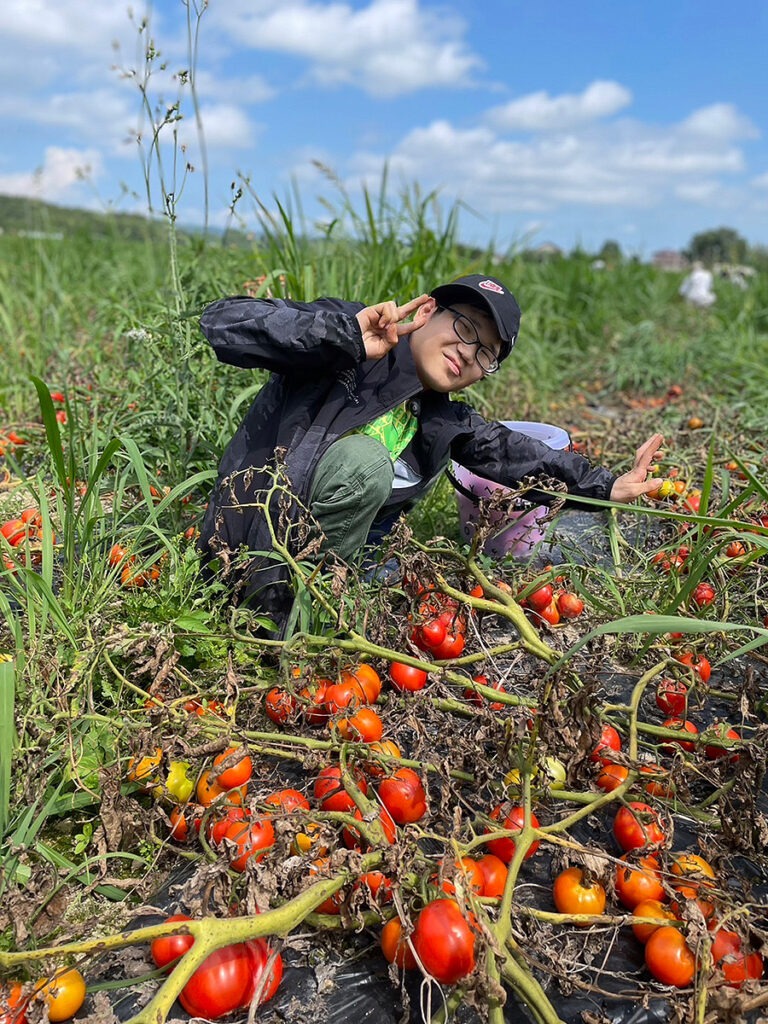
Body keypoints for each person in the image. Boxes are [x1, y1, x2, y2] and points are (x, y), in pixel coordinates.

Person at [197, 274, 663, 622]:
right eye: (465, 328)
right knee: (364, 464)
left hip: (326, 574)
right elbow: (224, 322)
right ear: (427, 311)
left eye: (486, 354)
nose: (467, 353)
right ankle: (301, 618)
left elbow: (517, 455)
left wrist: (607, 486)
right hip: (250, 551)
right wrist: (342, 335)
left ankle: (324, 606)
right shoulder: (349, 341)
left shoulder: (440, 420)